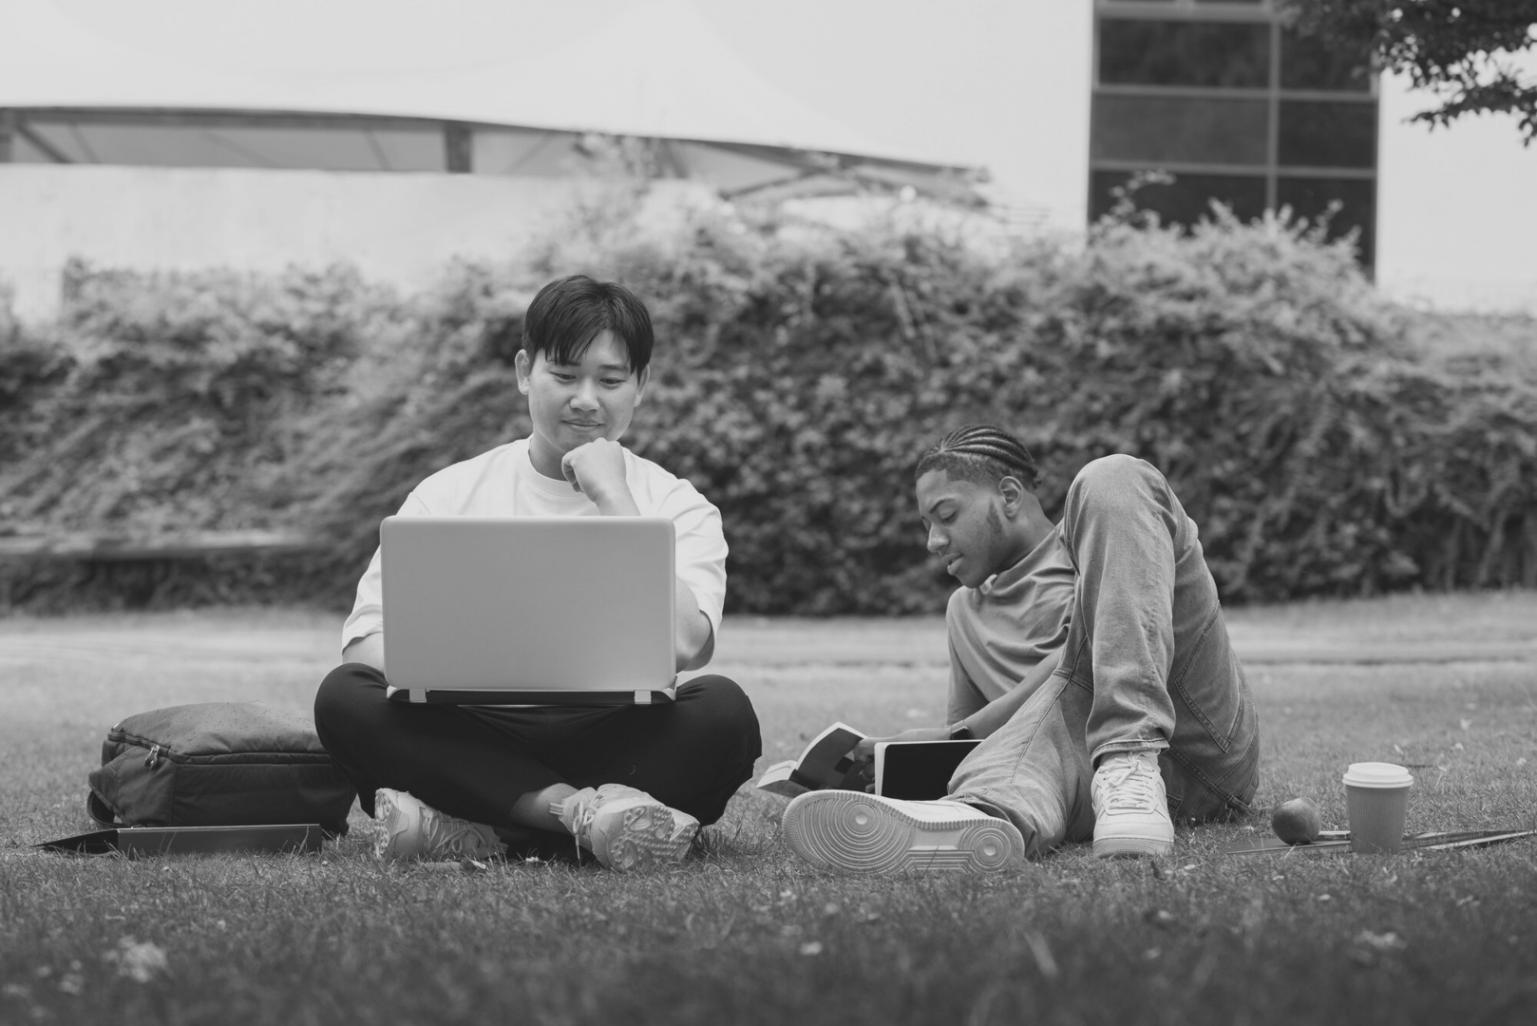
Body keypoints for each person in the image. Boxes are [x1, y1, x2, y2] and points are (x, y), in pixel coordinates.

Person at [313, 274, 762, 871]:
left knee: (723, 712)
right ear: (526, 371)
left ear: (641, 385)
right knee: (344, 697)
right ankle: (578, 815)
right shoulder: (449, 493)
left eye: (609, 380)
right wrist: (466, 663)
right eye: (565, 375)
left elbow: (687, 645)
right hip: (470, 729)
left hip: (614, 730)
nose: (586, 399)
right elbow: (363, 642)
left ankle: (477, 825)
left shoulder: (677, 503)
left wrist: (614, 499)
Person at [781, 425, 1260, 871]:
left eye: (946, 515)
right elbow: (967, 746)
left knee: (1112, 476)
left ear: (1009, 495)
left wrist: (958, 733)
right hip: (1073, 785)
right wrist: (899, 761)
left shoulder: (1095, 542)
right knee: (997, 775)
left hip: (1191, 739)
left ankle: (1127, 755)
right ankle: (978, 819)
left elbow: (1075, 667)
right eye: (926, 524)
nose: (932, 541)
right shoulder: (963, 613)